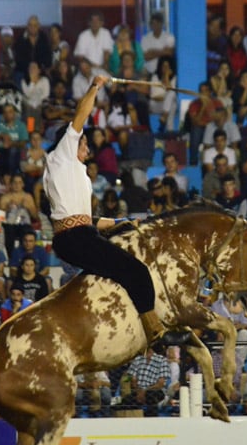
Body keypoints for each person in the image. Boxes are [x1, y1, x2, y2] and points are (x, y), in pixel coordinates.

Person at [43, 73, 189, 345]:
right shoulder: (61, 155)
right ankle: (156, 331)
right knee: (137, 270)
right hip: (76, 238)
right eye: (84, 142)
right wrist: (96, 86)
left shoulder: (73, 174)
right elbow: (81, 115)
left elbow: (87, 218)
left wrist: (121, 222)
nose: (87, 147)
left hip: (78, 235)